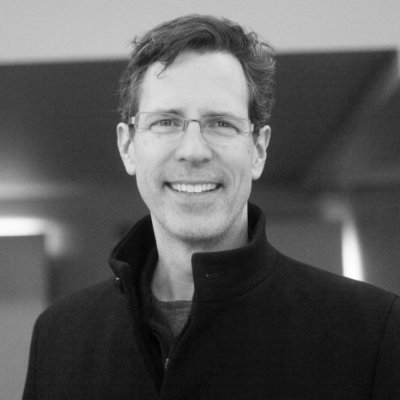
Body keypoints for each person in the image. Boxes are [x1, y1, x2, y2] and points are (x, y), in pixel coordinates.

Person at [23, 14, 400, 400]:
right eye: (166, 122)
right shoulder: (58, 337)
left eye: (221, 123)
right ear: (128, 146)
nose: (193, 151)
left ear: (258, 150)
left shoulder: (372, 333)